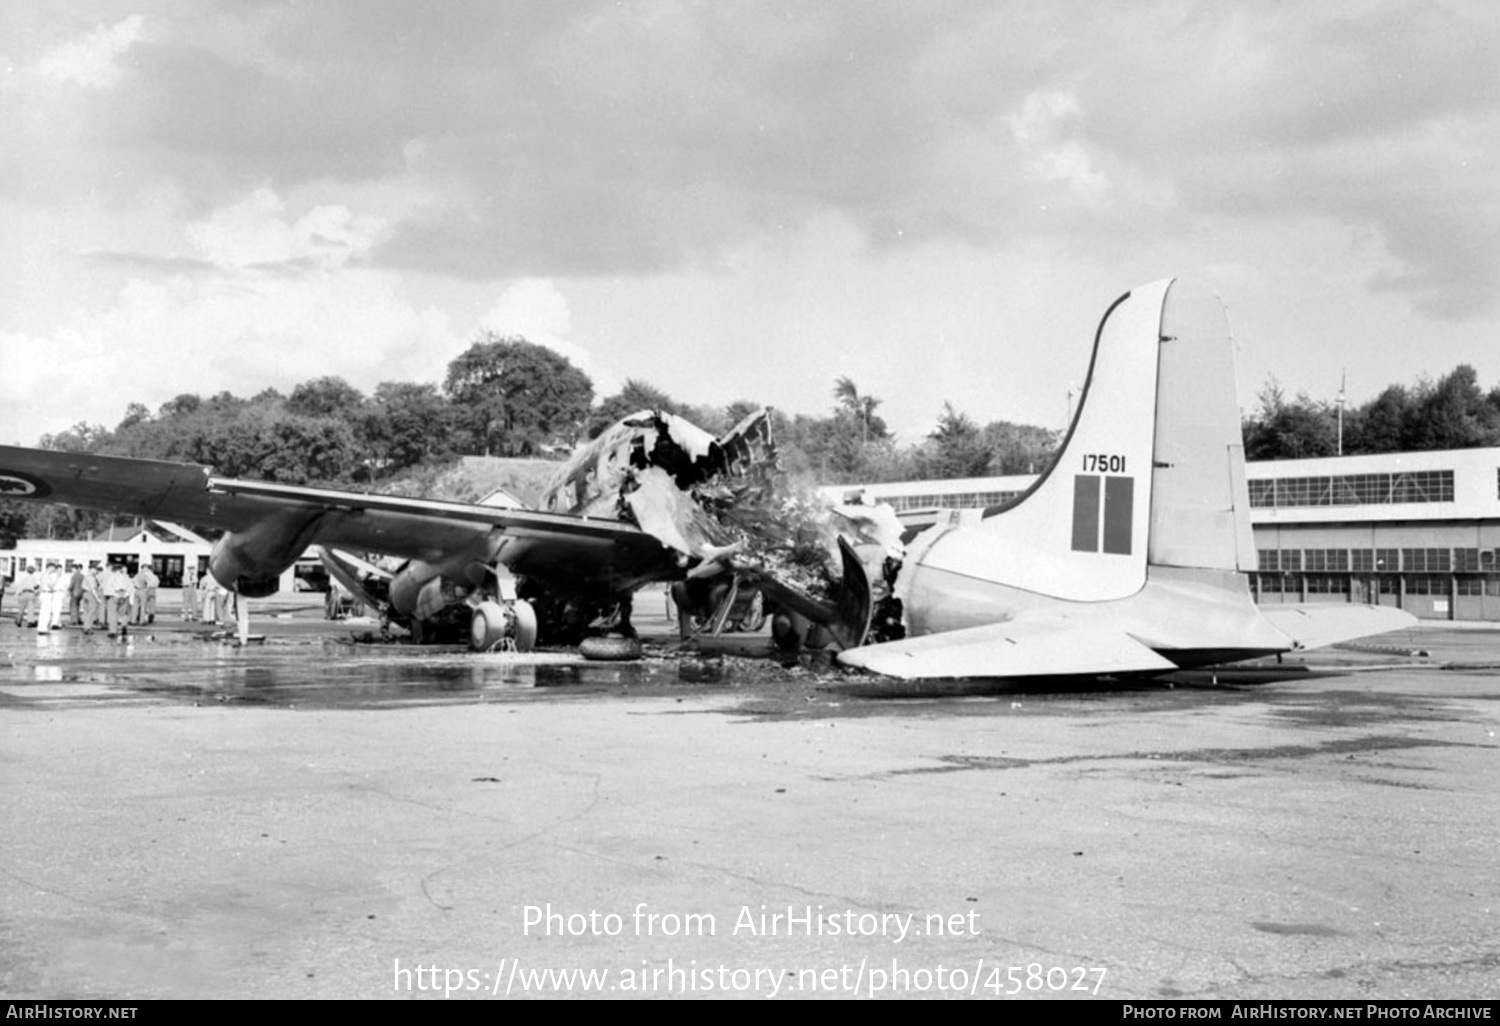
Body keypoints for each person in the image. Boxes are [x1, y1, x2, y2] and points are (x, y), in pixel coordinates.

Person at [37, 561, 66, 635]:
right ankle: (42, 629)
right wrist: (56, 578)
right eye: (53, 568)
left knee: (45, 612)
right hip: (46, 593)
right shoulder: (46, 575)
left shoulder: (45, 575)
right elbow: (51, 585)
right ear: (49, 567)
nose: (53, 570)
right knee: (45, 612)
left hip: (46, 593)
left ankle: (43, 628)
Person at [12, 563, 38, 627]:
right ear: (33, 571)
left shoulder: (23, 578)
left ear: (27, 570)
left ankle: (18, 621)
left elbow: (20, 587)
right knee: (31, 609)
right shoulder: (34, 578)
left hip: (23, 593)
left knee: (21, 608)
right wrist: (36, 594)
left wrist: (16, 594)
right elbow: (36, 587)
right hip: (31, 593)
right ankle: (30, 622)